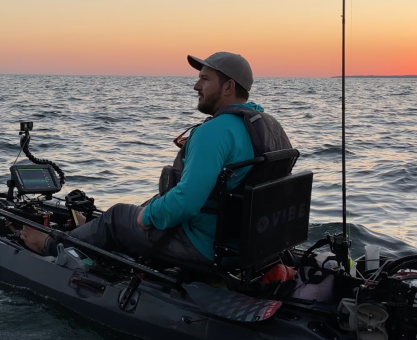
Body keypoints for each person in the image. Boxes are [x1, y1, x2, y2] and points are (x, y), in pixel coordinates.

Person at [21, 52, 291, 266]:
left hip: (205, 246)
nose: (196, 85)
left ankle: (47, 244)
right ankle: (91, 233)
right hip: (247, 244)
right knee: (146, 206)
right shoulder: (270, 125)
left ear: (229, 86)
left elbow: (186, 202)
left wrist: (146, 217)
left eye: (205, 79)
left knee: (118, 216)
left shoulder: (214, 132)